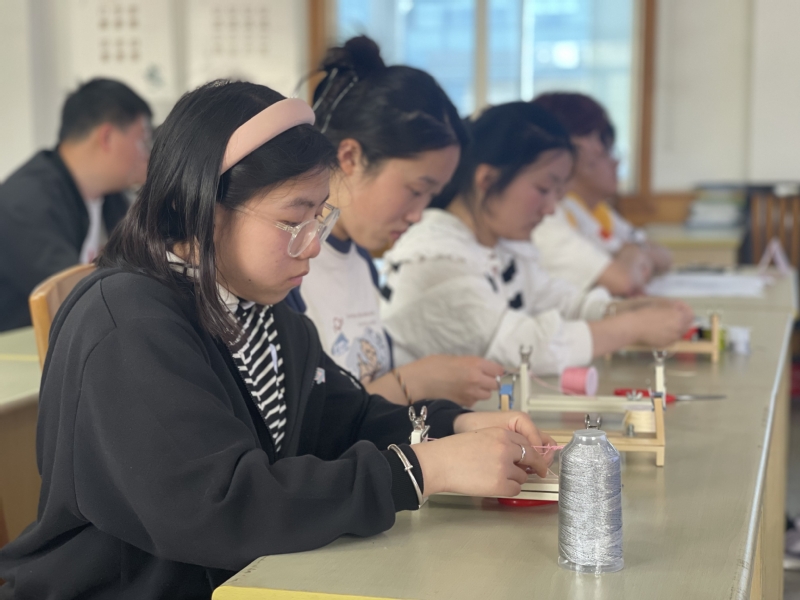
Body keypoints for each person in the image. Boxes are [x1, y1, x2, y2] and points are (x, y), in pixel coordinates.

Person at [0, 81, 554, 600]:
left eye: (321, 215)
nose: (313, 244)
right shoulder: (129, 324)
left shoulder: (261, 312)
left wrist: (456, 426)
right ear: (202, 207)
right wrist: (423, 469)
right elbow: (222, 508)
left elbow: (345, 420)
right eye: (294, 220)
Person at [380, 102, 693, 375]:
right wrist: (633, 326)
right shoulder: (436, 255)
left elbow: (559, 301)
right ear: (487, 179)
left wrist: (630, 310)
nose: (550, 208)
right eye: (543, 189)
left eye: (558, 193)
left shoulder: (500, 245)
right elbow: (521, 347)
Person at [286, 36, 504, 407]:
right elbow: (303, 424)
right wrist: (415, 381)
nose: (418, 214)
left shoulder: (359, 260)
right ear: (350, 157)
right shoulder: (287, 268)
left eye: (431, 196)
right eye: (416, 189)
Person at [0, 78, 152, 332]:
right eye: (143, 141)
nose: (147, 155)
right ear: (107, 137)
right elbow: (78, 297)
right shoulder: (24, 204)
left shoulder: (110, 197)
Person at [530, 92, 671, 296]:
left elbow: (664, 256)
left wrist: (630, 254)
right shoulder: (546, 215)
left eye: (601, 140)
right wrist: (631, 252)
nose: (598, 149)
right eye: (589, 136)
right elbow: (623, 281)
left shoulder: (583, 209)